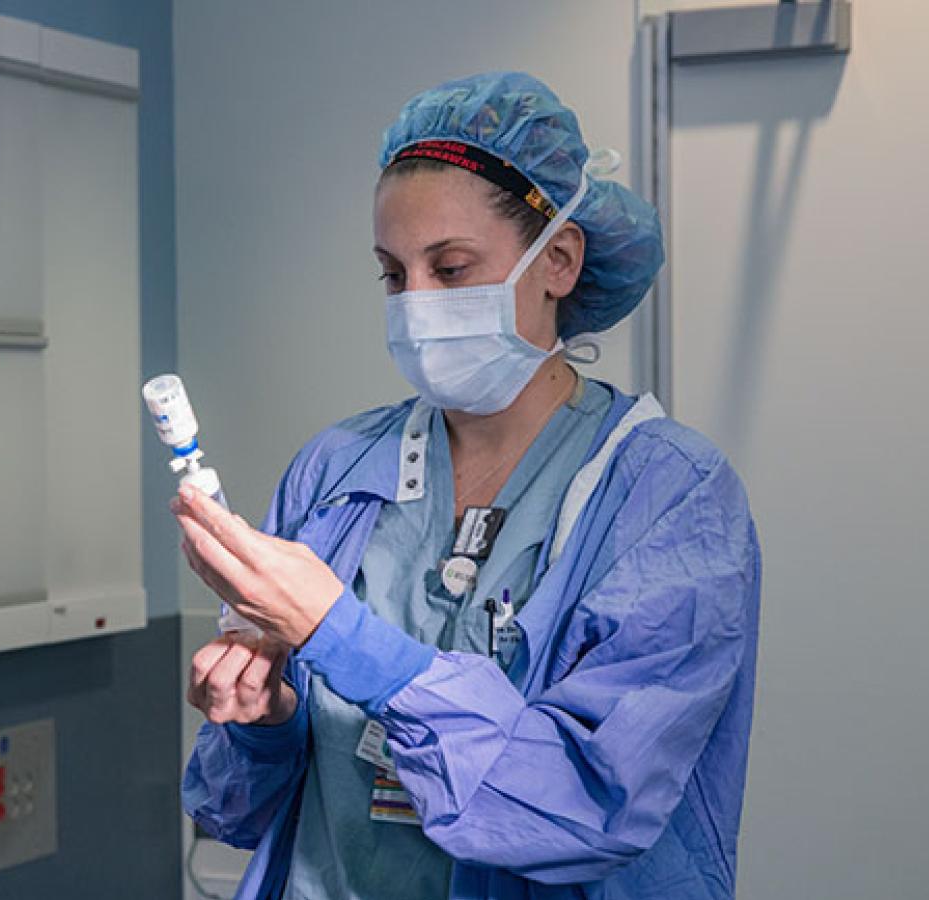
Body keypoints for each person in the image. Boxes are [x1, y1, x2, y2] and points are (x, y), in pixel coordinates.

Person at [174, 72, 761, 900]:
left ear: (557, 260)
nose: (415, 304)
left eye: (450, 269)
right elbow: (238, 807)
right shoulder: (336, 472)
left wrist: (339, 635)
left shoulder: (669, 496)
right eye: (392, 274)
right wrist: (266, 720)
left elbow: (588, 808)